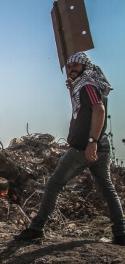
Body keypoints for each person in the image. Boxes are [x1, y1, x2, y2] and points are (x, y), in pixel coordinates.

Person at [14, 52, 125, 246]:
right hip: (102, 147)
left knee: (54, 185)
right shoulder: (91, 83)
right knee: (107, 189)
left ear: (85, 66)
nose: (72, 69)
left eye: (76, 66)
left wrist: (92, 142)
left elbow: (99, 111)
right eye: (70, 66)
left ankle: (37, 228)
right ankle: (121, 233)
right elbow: (86, 109)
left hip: (83, 149)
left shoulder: (88, 85)